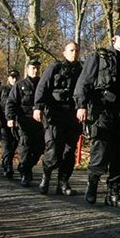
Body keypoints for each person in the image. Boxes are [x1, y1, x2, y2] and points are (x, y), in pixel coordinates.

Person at [74, 27, 120, 207]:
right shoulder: (99, 57)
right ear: (114, 39)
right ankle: (92, 184)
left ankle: (114, 191)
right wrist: (81, 105)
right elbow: (84, 81)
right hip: (102, 109)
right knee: (101, 150)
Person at [34, 42, 83, 196]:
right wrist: (38, 107)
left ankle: (63, 182)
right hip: (55, 114)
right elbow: (42, 86)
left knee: (69, 151)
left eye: (76, 51)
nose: (74, 53)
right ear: (64, 52)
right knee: (54, 148)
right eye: (71, 50)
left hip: (72, 115)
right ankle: (46, 177)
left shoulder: (82, 70)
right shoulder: (54, 67)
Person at [6, 59, 44, 187]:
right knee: (25, 148)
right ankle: (25, 174)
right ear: (27, 69)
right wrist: (10, 118)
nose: (35, 70)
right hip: (24, 121)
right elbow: (11, 102)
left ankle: (26, 167)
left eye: (37, 68)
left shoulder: (42, 85)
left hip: (39, 123)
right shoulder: (20, 85)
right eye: (33, 68)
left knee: (39, 148)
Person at [0, 70, 20, 179]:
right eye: (12, 77)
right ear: (8, 78)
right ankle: (8, 167)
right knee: (6, 145)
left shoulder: (22, 89)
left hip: (18, 123)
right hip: (4, 122)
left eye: (16, 77)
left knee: (15, 146)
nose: (14, 79)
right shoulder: (1, 90)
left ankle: (18, 166)